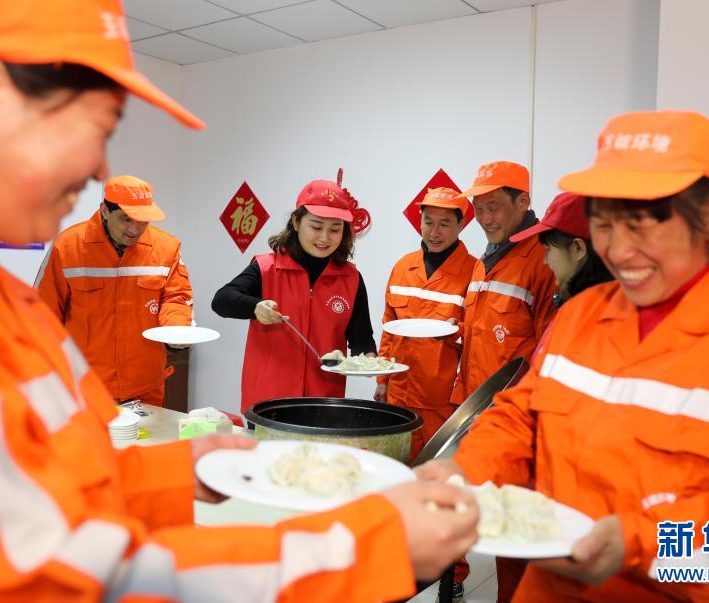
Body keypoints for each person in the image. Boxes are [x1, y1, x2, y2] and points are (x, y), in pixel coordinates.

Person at [0, 2, 479, 601]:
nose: (98, 168)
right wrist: (365, 548)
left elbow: (58, 482)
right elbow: (65, 571)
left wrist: (175, 470)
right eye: (94, 127)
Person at [417, 110, 709, 601]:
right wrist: (466, 469)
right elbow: (522, 418)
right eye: (603, 226)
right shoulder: (582, 314)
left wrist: (641, 545)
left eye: (641, 226)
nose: (619, 252)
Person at [447, 161, 558, 600]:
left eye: (494, 207)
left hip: (518, 421)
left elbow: (548, 349)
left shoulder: (543, 260)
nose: (485, 218)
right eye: (479, 208)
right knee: (488, 517)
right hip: (479, 412)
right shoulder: (484, 261)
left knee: (516, 532)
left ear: (524, 202)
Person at [212, 172, 377, 413]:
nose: (324, 238)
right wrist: (255, 307)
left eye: (335, 229)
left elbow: (361, 337)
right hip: (269, 402)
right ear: (297, 222)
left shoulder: (351, 279)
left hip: (324, 403)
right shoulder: (267, 267)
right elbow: (222, 300)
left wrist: (370, 361)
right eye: (316, 226)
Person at [35, 175, 193, 406]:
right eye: (126, 219)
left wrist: (175, 330)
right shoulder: (68, 246)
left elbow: (176, 297)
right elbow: (42, 311)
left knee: (148, 442)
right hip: (85, 383)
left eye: (143, 221)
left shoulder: (166, 248)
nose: (135, 229)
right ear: (105, 211)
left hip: (145, 384)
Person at [374, 187, 477, 461]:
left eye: (444, 224)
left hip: (441, 400)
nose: (434, 232)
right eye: (428, 222)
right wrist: (383, 380)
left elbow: (478, 337)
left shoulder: (474, 272)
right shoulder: (402, 267)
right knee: (395, 466)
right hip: (398, 392)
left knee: (432, 472)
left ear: (461, 225)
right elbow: (389, 327)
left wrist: (456, 333)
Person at [511, 191, 613, 311]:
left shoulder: (592, 313)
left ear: (578, 248)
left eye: (548, 250)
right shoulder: (583, 305)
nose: (545, 261)